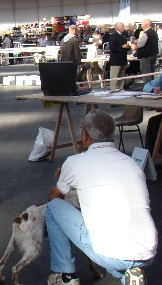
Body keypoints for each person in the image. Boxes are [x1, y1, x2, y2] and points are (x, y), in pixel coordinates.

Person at [46, 109, 157, 285]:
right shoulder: (131, 163)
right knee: (114, 246)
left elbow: (54, 197)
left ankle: (65, 275)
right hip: (147, 251)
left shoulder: (74, 162)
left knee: (52, 209)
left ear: (84, 135)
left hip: (111, 253)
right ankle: (129, 275)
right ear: (112, 135)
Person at [108, 22, 131, 90]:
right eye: (122, 26)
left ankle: (121, 88)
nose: (123, 27)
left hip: (122, 59)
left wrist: (128, 47)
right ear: (118, 27)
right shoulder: (113, 35)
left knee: (121, 75)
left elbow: (125, 46)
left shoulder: (123, 35)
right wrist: (122, 47)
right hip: (116, 60)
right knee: (114, 76)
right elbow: (112, 47)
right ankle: (113, 88)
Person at [136, 18, 159, 84]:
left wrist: (136, 44)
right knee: (151, 73)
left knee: (146, 74)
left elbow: (140, 44)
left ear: (145, 25)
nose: (141, 26)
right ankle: (152, 87)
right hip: (153, 55)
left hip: (146, 56)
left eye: (142, 25)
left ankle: (147, 88)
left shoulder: (146, 33)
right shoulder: (154, 33)